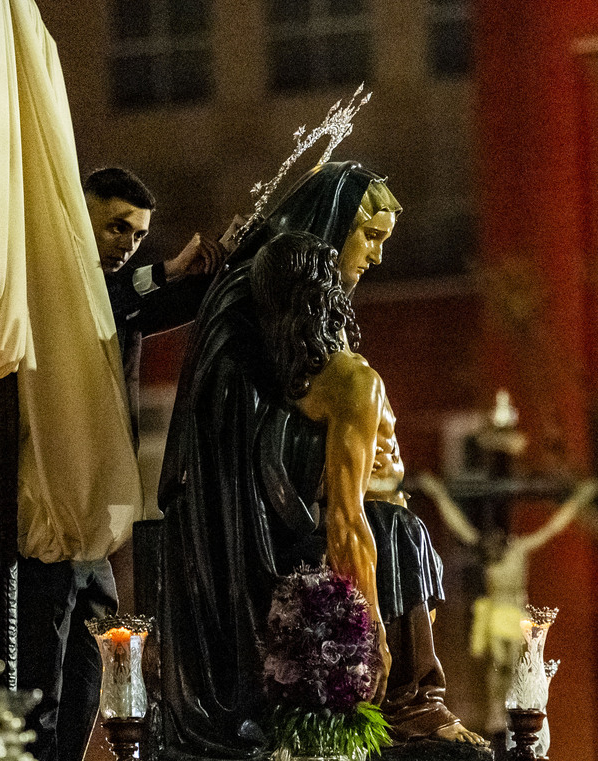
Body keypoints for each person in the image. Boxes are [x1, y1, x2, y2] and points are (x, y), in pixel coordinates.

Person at [157, 161, 485, 759]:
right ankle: (415, 702)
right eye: (372, 238)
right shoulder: (340, 378)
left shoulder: (292, 360)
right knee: (401, 533)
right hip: (317, 542)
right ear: (332, 236)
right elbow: (342, 515)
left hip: (306, 542)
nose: (377, 258)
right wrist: (371, 634)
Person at [18, 166, 226, 761]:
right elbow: (100, 301)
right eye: (115, 228)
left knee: (90, 678)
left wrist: (228, 261)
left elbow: (158, 305)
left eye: (136, 236)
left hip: (96, 520)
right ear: (81, 217)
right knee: (42, 682)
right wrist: (164, 271)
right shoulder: (55, 283)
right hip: (50, 514)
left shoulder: (118, 296)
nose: (125, 244)